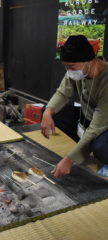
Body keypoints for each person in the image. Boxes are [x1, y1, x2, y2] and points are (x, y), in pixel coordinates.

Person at [41, 35, 108, 178]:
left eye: (72, 67)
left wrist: (69, 159)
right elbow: (62, 93)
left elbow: (97, 126)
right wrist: (47, 112)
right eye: (66, 67)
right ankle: (82, 146)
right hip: (86, 117)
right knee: (49, 111)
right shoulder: (76, 71)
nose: (69, 71)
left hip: (104, 124)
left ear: (90, 61)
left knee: (101, 148)